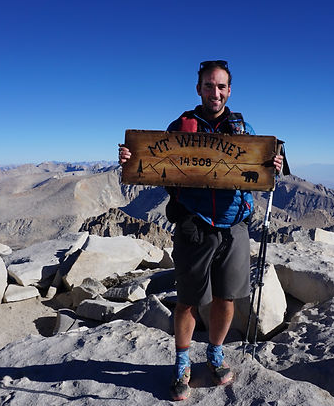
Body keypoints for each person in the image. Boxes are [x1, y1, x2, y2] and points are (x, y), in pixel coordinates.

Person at [118, 60, 282, 401]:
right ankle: (181, 363)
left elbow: (262, 167)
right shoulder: (181, 126)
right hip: (195, 224)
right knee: (189, 301)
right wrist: (130, 158)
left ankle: (214, 354)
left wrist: (276, 164)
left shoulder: (243, 127)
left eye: (221, 86)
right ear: (199, 89)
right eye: (209, 86)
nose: (215, 92)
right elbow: (154, 160)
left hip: (235, 226)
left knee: (227, 297)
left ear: (229, 90)